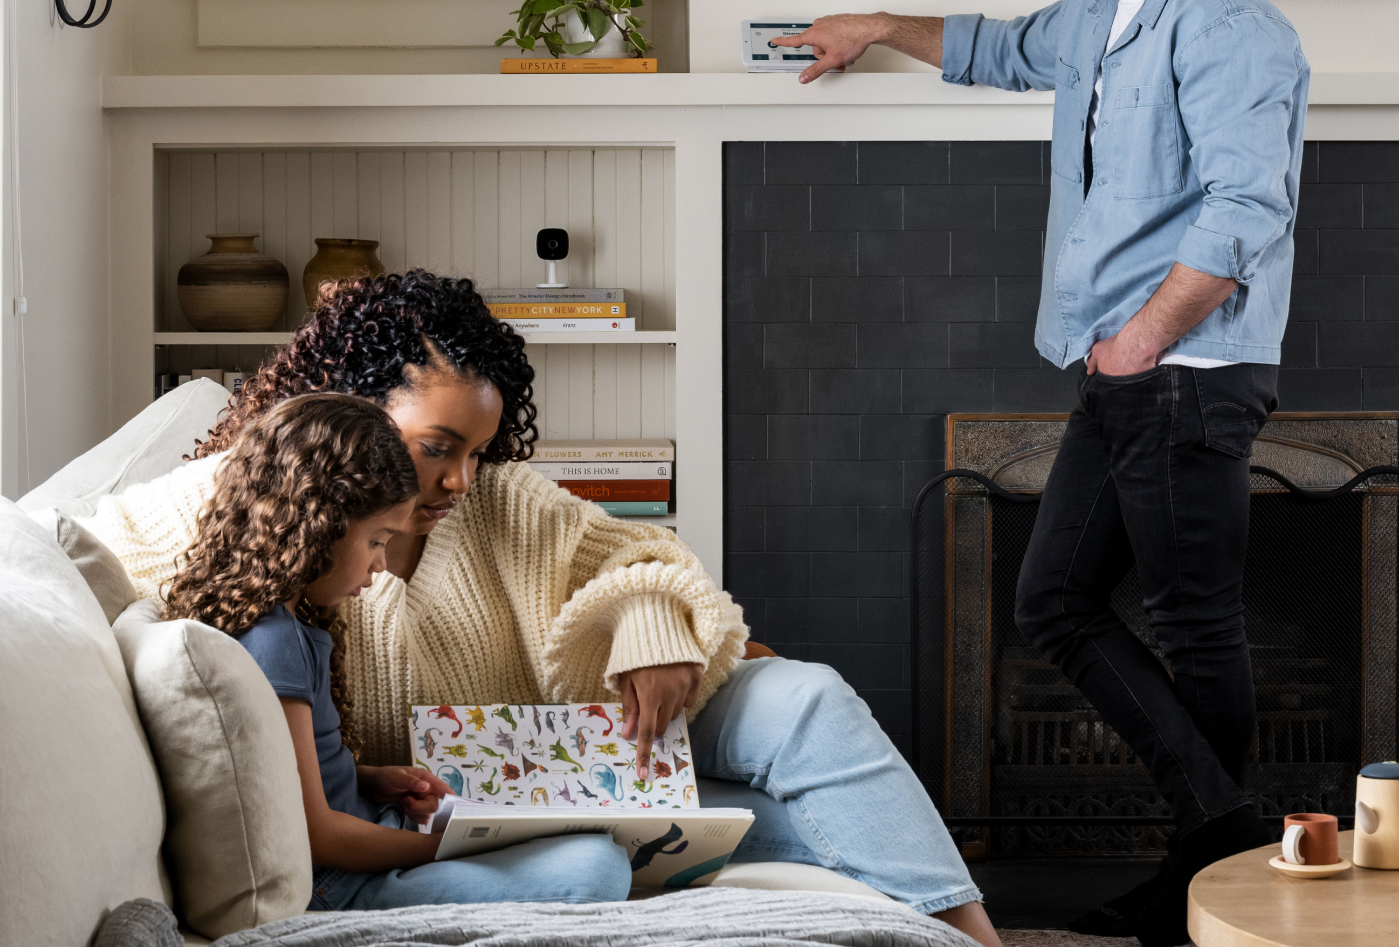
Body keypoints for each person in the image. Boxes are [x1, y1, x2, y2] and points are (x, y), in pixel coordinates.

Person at [775, 0, 1306, 947]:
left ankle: (1215, 873)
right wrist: (874, 25)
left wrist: (1142, 339)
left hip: (1187, 370)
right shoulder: (1099, 8)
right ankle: (1221, 841)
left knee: (1194, 620)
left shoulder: (1229, 27)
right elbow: (998, 49)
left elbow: (1244, 208)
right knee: (1053, 599)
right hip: (1121, 372)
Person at [95, 271, 1002, 945]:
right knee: (791, 833)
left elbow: (648, 554)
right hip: (439, 814)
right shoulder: (239, 500)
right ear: (348, 410)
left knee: (805, 698)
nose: (457, 480)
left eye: (477, 452)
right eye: (436, 447)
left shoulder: (496, 497)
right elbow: (106, 554)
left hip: (557, 759)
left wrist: (647, 625)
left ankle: (970, 937)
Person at [165, 392, 634, 909]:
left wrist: (367, 780)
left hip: (364, 833)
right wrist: (445, 849)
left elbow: (286, 775)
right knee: (598, 867)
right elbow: (320, 835)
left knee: (586, 840)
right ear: (319, 526)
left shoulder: (287, 620)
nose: (382, 564)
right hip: (338, 881)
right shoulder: (272, 640)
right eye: (377, 540)